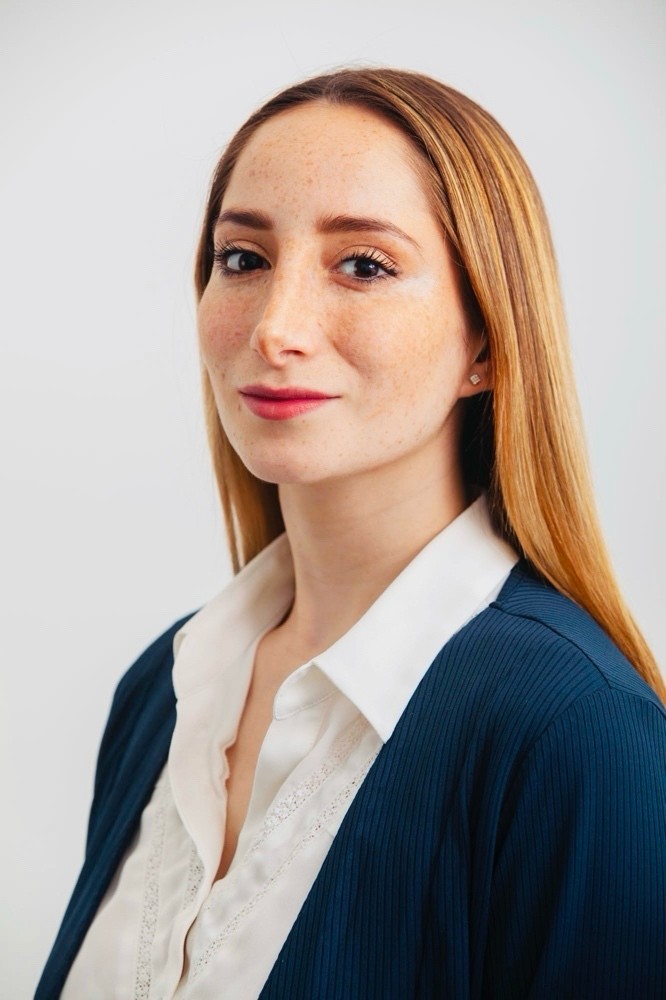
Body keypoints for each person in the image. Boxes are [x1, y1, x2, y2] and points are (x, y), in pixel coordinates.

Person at [37, 68, 665, 999]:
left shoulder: (576, 731)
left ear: (487, 341)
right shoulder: (161, 691)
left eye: (364, 265)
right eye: (242, 259)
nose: (275, 328)